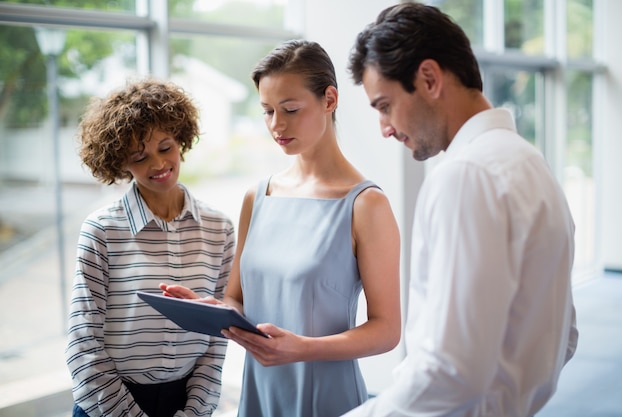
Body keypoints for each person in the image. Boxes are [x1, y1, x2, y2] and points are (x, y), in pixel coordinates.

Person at [341, 3, 579, 416]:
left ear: (429, 79)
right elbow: (565, 336)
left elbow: (451, 371)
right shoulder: (528, 162)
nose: (385, 128)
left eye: (384, 105)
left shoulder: (466, 175)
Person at [161, 39, 401, 417]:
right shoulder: (257, 197)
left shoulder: (366, 204)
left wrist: (302, 348)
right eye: (268, 111)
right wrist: (213, 311)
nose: (277, 124)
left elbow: (387, 330)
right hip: (261, 394)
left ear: (330, 100)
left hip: (328, 397)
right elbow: (237, 299)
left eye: (290, 109)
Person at [65, 79, 235, 417]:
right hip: (109, 403)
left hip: (185, 400)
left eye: (166, 147)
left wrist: (195, 411)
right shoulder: (102, 230)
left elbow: (217, 337)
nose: (158, 164)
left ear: (181, 140)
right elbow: (83, 343)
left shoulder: (220, 228)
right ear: (121, 162)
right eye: (140, 157)